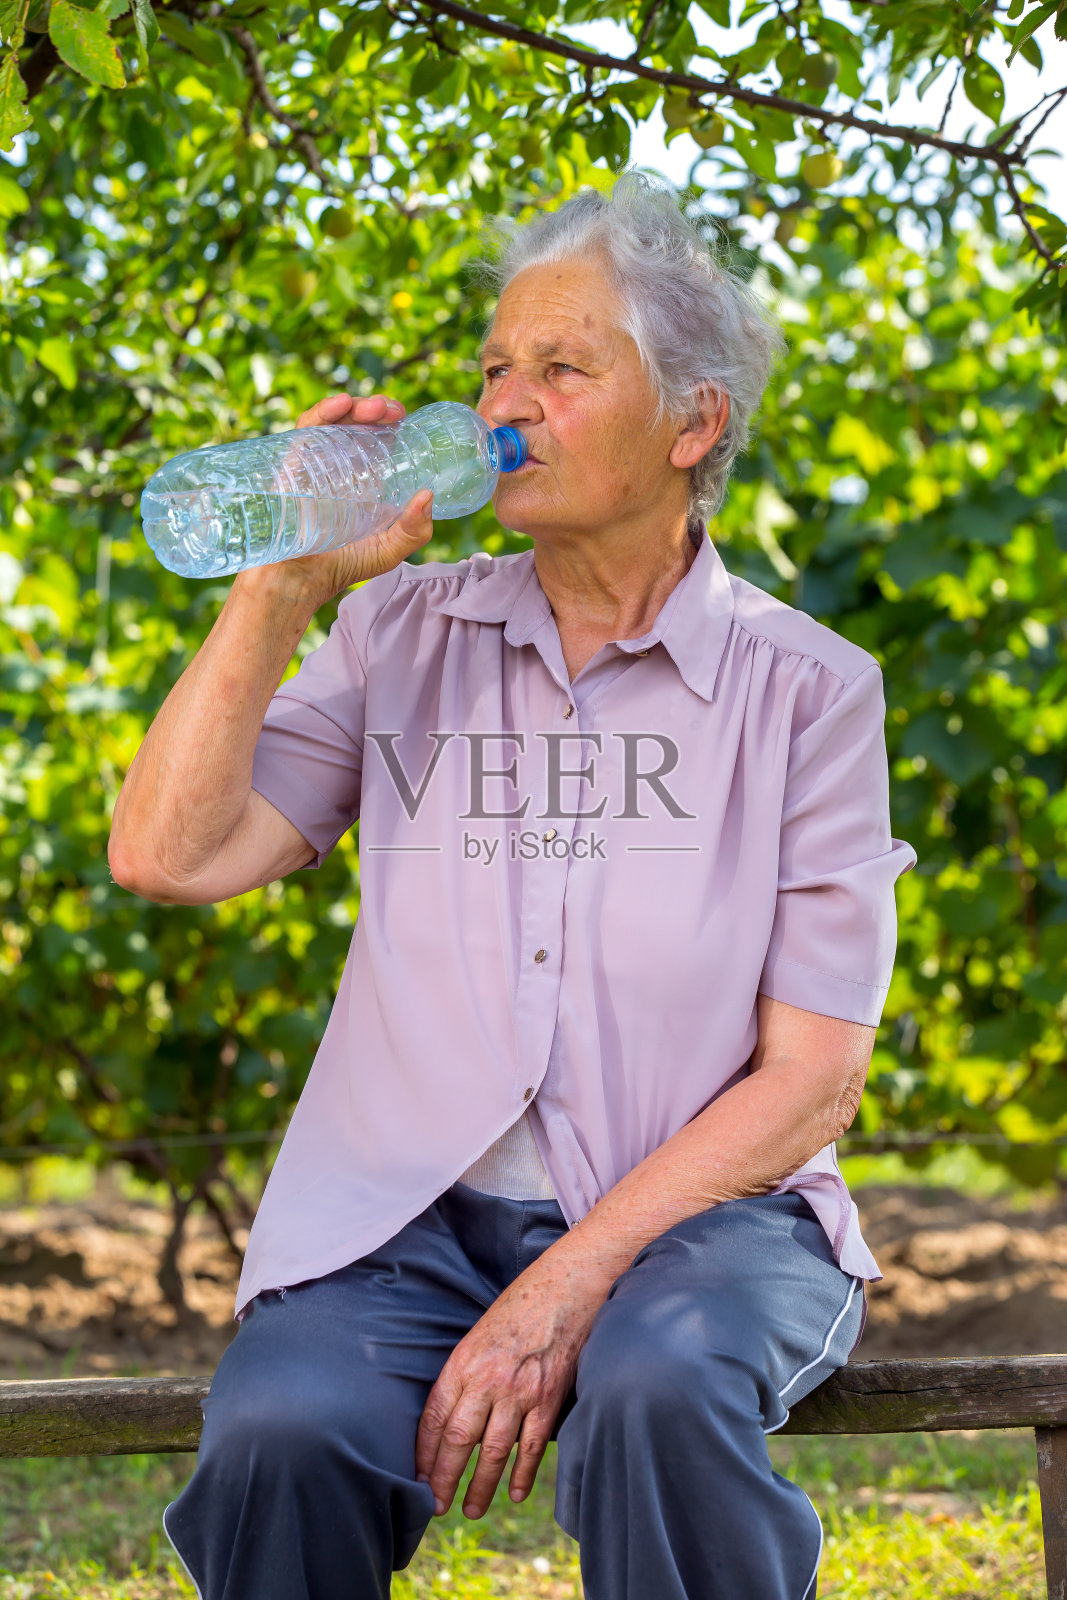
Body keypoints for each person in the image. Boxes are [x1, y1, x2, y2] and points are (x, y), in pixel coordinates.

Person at [108, 170, 917, 1600]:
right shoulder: (400, 630)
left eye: (561, 370)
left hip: (705, 1226)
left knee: (660, 1385)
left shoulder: (809, 693)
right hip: (404, 1220)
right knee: (285, 1428)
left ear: (694, 422)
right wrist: (282, 585)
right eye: (494, 366)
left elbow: (809, 1084)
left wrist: (567, 1284)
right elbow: (169, 857)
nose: (505, 404)